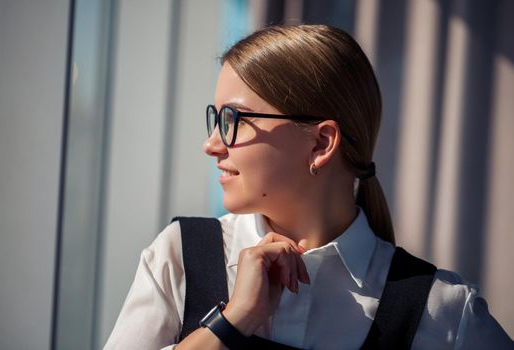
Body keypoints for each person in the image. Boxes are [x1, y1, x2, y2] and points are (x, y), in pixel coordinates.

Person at [104, 24, 513, 349]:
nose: (211, 144)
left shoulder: (443, 311)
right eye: (216, 119)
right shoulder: (180, 255)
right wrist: (232, 321)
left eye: (233, 121)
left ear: (321, 143)